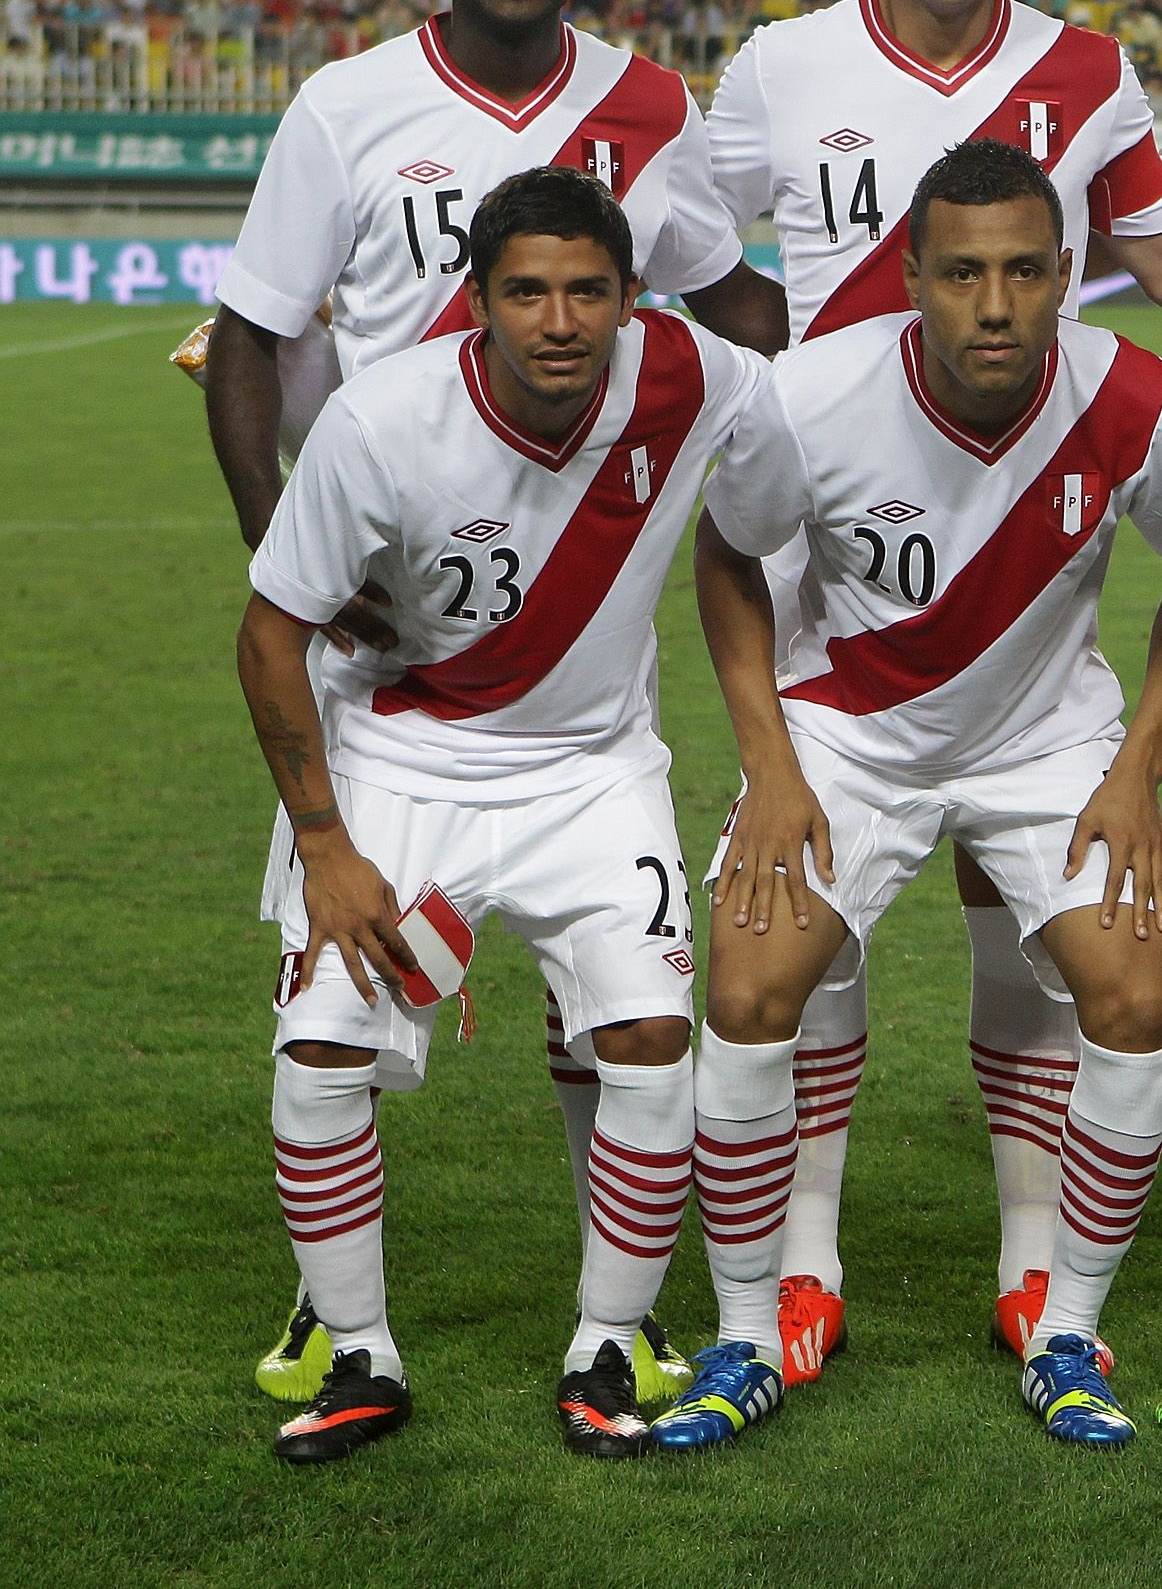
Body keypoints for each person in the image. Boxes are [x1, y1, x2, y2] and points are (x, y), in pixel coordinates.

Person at [204, 0, 781, 1416]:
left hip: (575, 584)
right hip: (391, 603)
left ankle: (610, 1312)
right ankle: (342, 1311)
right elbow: (252, 331)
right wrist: (292, 566)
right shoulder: (347, 105)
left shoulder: (648, 106)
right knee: (339, 1004)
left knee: (616, 1008)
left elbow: (724, 295)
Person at [701, 0, 1162, 1380]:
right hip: (841, 550)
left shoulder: (1086, 69)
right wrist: (764, 368)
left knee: (1034, 944)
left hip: (1034, 582)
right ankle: (800, 1261)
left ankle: (1039, 1273)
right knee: (801, 955)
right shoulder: (780, 65)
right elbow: (662, 238)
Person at [240, 167, 794, 1464]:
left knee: (655, 1040)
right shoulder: (384, 419)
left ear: (631, 297)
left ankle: (610, 1335)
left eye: (588, 291)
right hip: (401, 758)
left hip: (597, 771)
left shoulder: (704, 380)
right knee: (317, 1055)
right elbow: (271, 638)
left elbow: (756, 522)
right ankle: (361, 1353)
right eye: (528, 292)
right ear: (477, 301)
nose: (560, 319)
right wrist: (324, 844)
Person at [671, 140, 1162, 1449]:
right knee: (746, 986)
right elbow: (728, 556)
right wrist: (771, 768)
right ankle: (750, 1325)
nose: (994, 301)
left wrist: (1140, 767)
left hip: (1045, 743)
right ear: (909, 276)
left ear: (1068, 276)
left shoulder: (1137, 396)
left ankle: (1068, 1326)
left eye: (1026, 271)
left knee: (1134, 989)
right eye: (962, 271)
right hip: (848, 737)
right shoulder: (811, 395)